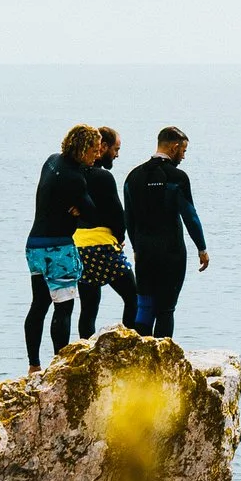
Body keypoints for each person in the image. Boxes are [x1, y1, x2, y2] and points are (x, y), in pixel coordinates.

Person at [122, 125, 209, 339]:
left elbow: (129, 218)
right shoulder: (177, 177)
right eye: (184, 151)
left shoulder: (132, 177)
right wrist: (202, 248)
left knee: (144, 307)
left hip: (144, 251)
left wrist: (136, 247)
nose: (184, 156)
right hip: (171, 252)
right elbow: (189, 215)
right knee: (165, 309)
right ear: (175, 147)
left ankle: (140, 360)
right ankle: (161, 363)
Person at [26, 125, 100, 369]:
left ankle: (33, 364)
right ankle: (60, 365)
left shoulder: (52, 161)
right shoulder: (75, 178)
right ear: (83, 148)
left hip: (35, 244)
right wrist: (80, 209)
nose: (96, 156)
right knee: (64, 308)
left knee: (39, 305)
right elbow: (92, 212)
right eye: (94, 150)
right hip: (58, 248)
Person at [75, 125, 140, 338]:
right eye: (116, 149)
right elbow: (117, 214)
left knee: (88, 308)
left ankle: (84, 349)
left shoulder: (74, 174)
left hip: (79, 246)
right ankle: (128, 345)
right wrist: (121, 238)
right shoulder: (103, 177)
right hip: (103, 246)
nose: (117, 155)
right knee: (133, 297)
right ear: (102, 147)